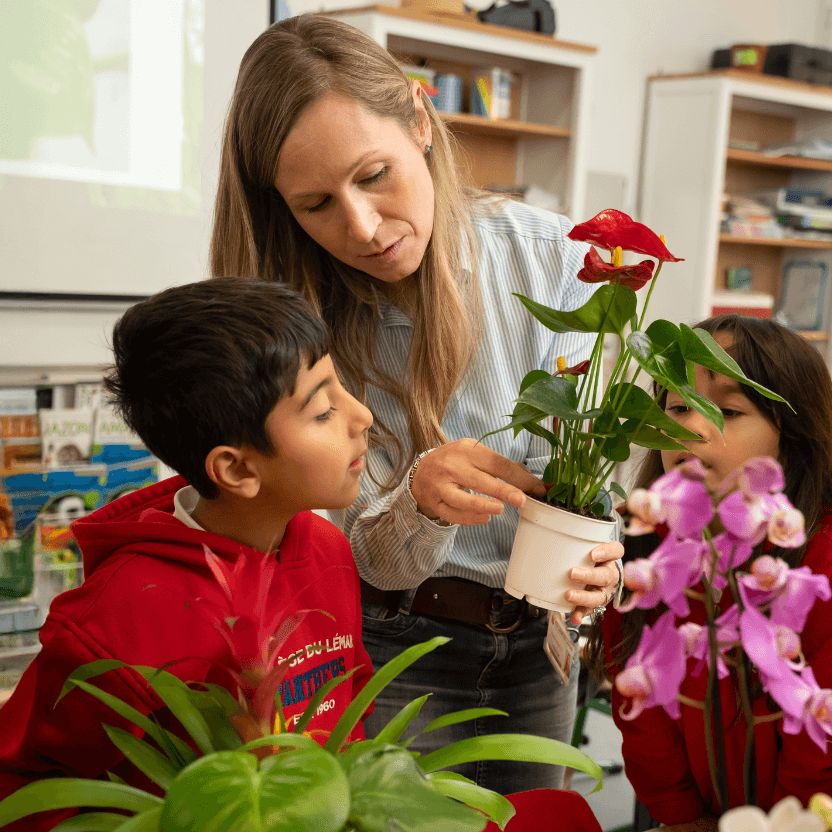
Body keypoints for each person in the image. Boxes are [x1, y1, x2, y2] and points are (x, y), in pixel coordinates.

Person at [209, 13, 623, 794]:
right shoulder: (297, 318)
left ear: (420, 121)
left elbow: (597, 477)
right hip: (385, 648)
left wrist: (606, 563)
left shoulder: (561, 261)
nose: (362, 228)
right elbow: (339, 553)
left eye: (373, 176)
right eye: (316, 204)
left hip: (539, 650)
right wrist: (417, 506)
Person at [0, 277, 375, 825]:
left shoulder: (324, 548)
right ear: (238, 468)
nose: (361, 415)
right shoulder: (112, 622)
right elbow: (28, 785)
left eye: (340, 387)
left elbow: (350, 700)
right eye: (322, 412)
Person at [586, 314, 832, 828]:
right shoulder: (648, 555)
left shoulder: (820, 560)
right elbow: (643, 710)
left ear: (793, 435)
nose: (689, 426)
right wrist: (679, 815)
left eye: (725, 409)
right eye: (676, 405)